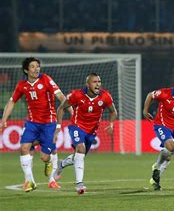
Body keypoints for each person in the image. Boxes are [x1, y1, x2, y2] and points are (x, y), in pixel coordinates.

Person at [0, 57, 68, 192]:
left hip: (49, 123)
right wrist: (4, 119)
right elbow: (12, 101)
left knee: (45, 157)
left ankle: (50, 169)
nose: (36, 68)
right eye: (33, 66)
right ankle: (30, 181)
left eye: (38, 66)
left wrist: (69, 107)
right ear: (26, 70)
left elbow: (60, 95)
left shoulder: (46, 79)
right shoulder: (22, 85)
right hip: (32, 123)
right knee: (24, 148)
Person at [54, 73, 116, 194]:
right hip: (76, 127)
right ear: (87, 84)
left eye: (99, 82)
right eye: (94, 82)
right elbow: (61, 108)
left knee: (78, 156)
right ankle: (79, 184)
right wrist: (58, 126)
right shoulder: (77, 95)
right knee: (80, 149)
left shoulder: (105, 96)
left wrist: (112, 124)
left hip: (91, 132)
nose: (98, 84)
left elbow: (113, 111)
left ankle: (61, 164)